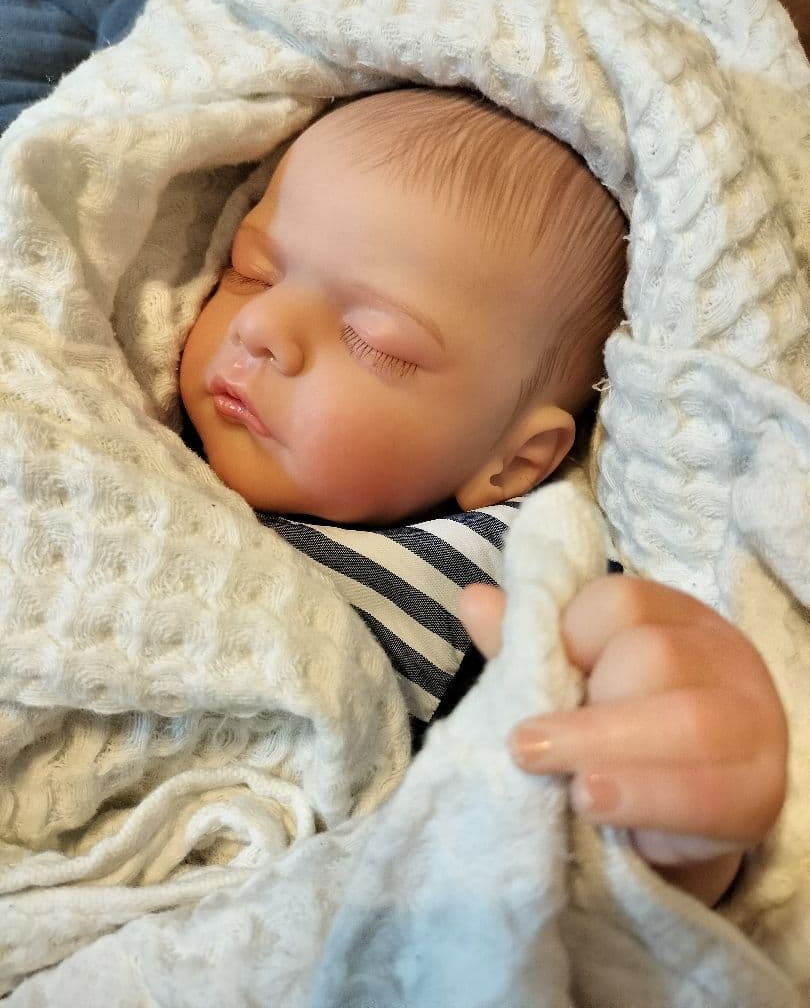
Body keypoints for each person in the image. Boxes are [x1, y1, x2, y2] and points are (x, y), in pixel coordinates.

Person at [178, 87, 787, 908]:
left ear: (511, 463)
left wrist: (687, 828)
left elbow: (567, 853)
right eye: (252, 271)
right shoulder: (127, 433)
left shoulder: (512, 592)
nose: (259, 327)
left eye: (373, 341)